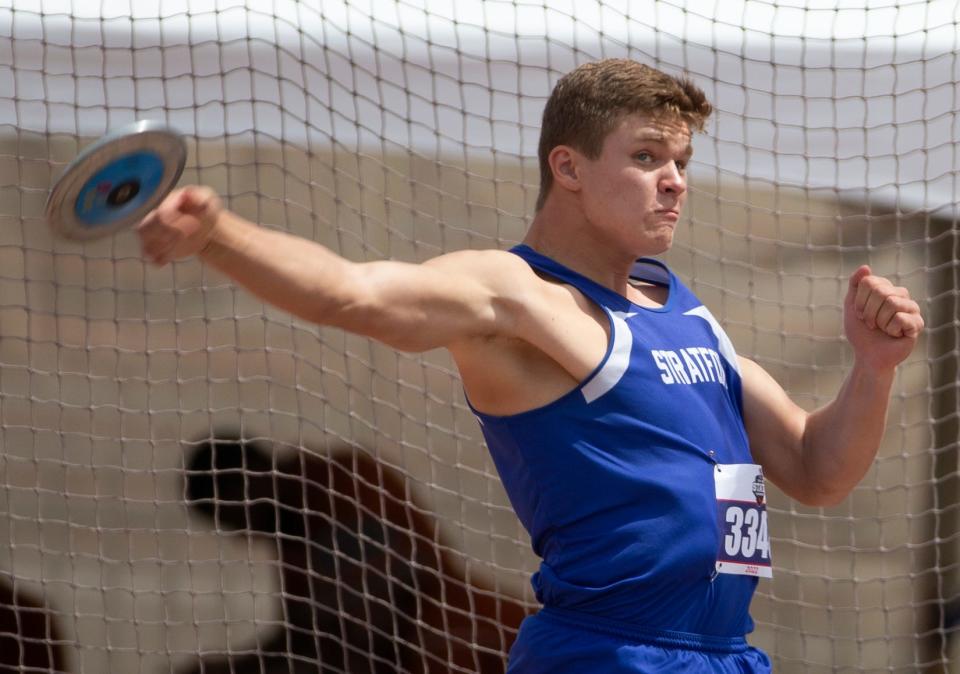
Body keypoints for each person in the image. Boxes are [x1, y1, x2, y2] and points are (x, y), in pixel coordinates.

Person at [137, 59, 924, 672]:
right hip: (610, 655)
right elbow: (353, 294)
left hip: (726, 653)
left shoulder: (680, 308)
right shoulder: (516, 296)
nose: (676, 179)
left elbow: (820, 470)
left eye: (681, 159)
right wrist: (219, 237)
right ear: (569, 167)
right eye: (646, 156)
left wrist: (875, 367)